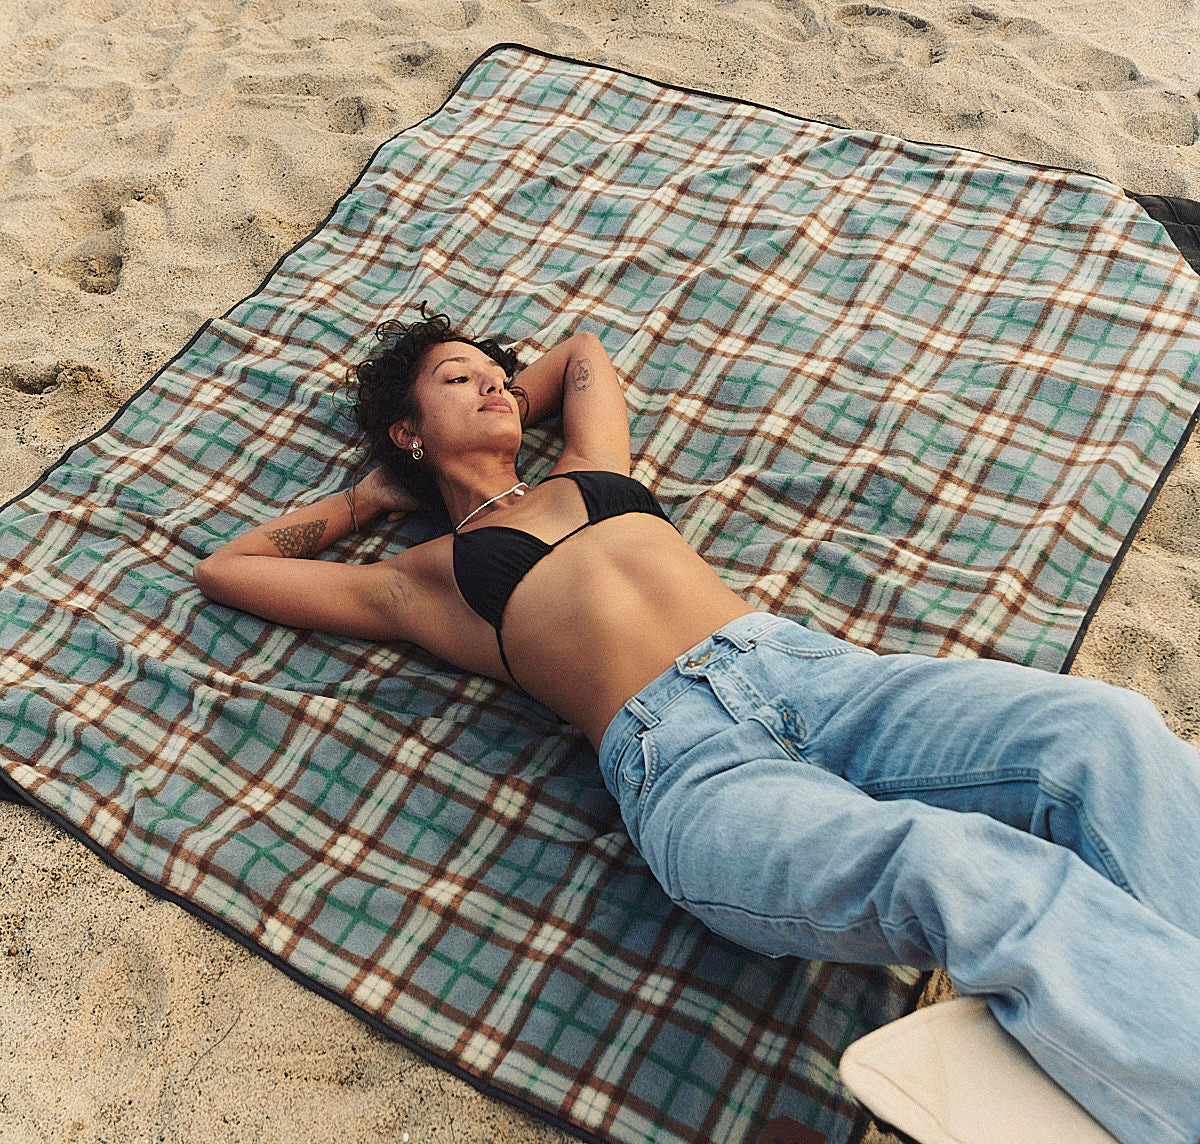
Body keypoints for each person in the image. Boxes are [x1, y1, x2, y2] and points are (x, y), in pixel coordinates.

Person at [194, 305, 1200, 1144]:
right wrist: (372, 497)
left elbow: (581, 352)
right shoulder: (423, 578)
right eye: (460, 380)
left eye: (499, 376)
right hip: (692, 768)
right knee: (958, 868)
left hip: (813, 676)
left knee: (1102, 732)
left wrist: (489, 398)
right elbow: (229, 568)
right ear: (407, 431)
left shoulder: (589, 465)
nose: (496, 386)